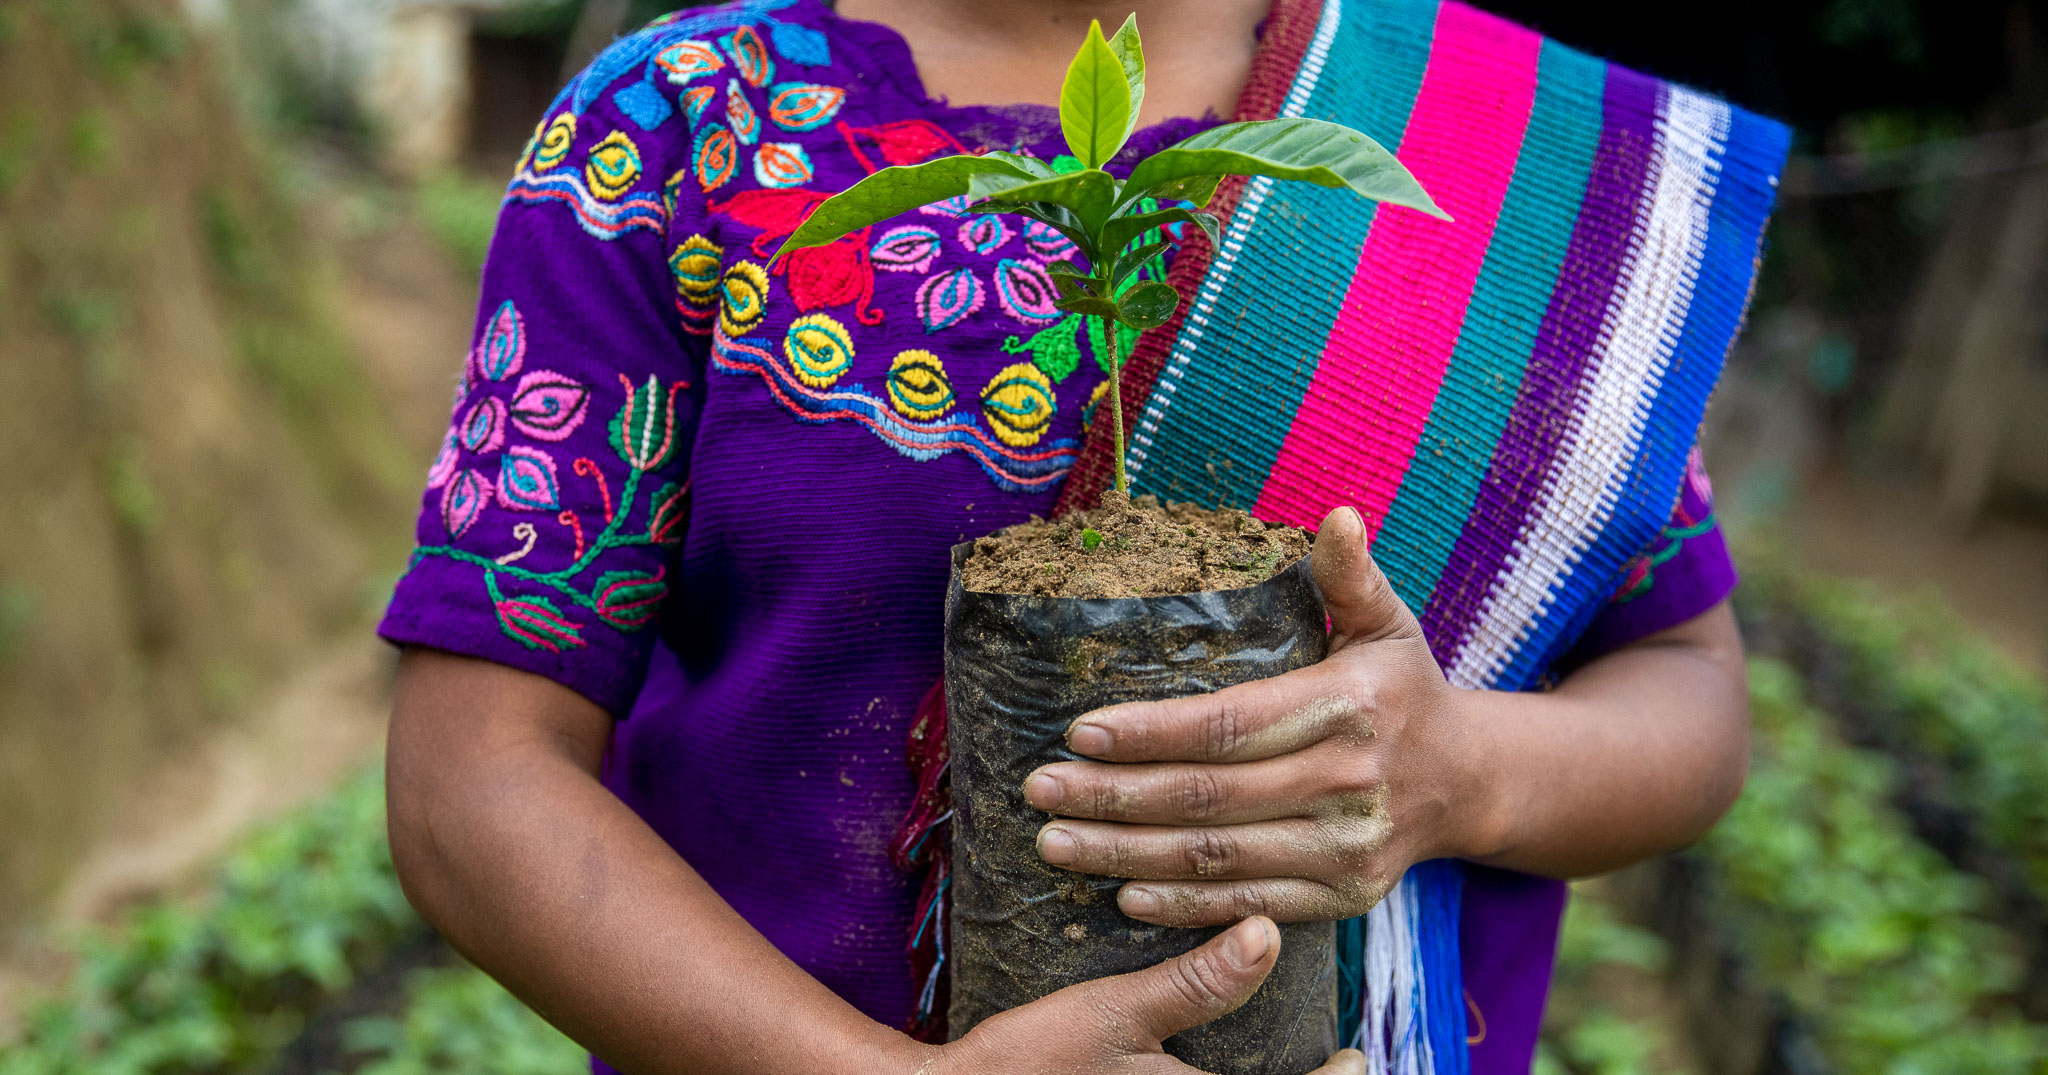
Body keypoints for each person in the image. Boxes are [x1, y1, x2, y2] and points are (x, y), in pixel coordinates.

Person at [379, 0, 1772, 1070]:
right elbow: (471, 782)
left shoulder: (1495, 147)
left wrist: (1456, 771)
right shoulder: (680, 124)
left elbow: (1688, 684)